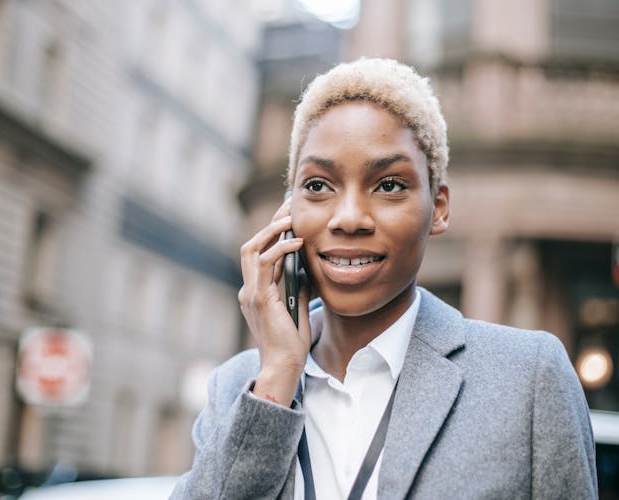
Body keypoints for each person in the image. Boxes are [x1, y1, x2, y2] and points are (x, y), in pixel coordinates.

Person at [171, 58, 597, 499]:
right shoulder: (240, 386)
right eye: (318, 185)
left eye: (389, 185)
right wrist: (278, 375)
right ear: (287, 211)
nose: (349, 218)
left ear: (440, 207)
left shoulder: (528, 378)